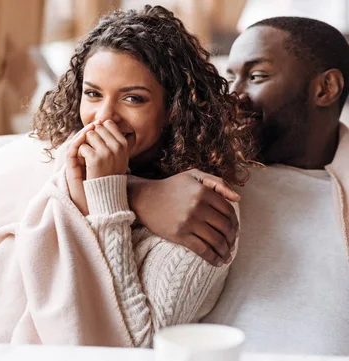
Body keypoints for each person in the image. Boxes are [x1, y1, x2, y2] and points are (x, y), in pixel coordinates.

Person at [0, 5, 253, 346]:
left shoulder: (200, 206)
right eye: (93, 93)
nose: (103, 117)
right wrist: (135, 192)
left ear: (174, 109)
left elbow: (137, 346)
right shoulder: (53, 163)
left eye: (133, 98)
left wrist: (109, 195)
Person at [133, 16, 349, 355]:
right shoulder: (200, 168)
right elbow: (76, 174)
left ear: (325, 89)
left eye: (257, 76)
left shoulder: (337, 189)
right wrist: (139, 193)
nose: (234, 96)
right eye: (231, 77)